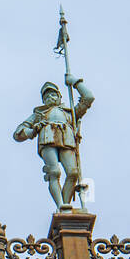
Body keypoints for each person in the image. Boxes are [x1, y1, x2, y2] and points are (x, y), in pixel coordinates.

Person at [13, 77, 94, 211]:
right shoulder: (39, 114)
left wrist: (75, 82)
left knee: (73, 173)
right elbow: (18, 133)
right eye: (47, 95)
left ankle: (65, 205)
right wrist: (33, 130)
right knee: (54, 172)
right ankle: (61, 205)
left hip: (67, 139)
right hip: (48, 138)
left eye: (53, 94)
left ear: (59, 96)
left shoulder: (70, 113)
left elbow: (89, 98)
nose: (50, 96)